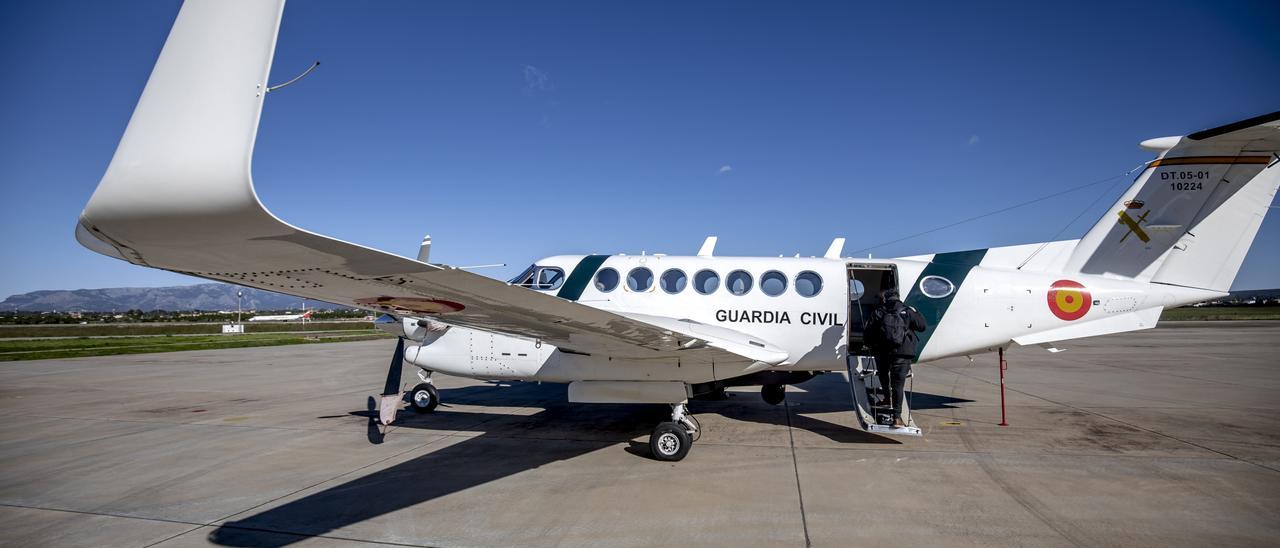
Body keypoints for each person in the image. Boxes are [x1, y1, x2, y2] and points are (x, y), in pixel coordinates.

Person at [864, 288, 927, 427]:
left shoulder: (879, 311)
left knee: (884, 376)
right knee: (898, 385)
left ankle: (887, 397)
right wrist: (916, 312)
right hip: (903, 352)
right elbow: (922, 326)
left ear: (885, 298)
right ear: (898, 297)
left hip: (883, 351)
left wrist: (871, 346)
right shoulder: (907, 310)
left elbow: (868, 333)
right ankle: (897, 418)